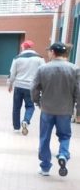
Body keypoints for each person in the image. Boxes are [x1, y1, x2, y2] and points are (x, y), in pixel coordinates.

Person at [30, 42, 80, 177]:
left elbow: (34, 88)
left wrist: (37, 101)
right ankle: (63, 154)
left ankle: (45, 167)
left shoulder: (43, 69)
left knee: (44, 137)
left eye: (49, 51)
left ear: (53, 52)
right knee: (65, 135)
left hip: (47, 109)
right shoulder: (74, 69)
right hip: (65, 110)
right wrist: (78, 110)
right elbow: (78, 92)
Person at [7, 40, 43, 134]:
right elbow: (44, 72)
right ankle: (26, 120)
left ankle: (16, 127)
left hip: (18, 86)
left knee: (16, 107)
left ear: (23, 47)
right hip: (32, 86)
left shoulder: (17, 58)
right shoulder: (39, 58)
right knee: (30, 106)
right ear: (31, 47)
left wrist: (10, 84)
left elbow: (12, 73)